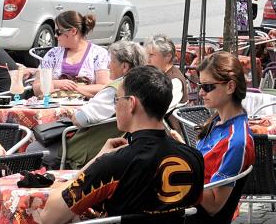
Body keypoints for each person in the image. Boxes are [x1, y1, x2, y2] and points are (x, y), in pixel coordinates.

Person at [40, 66, 204, 224]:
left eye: (116, 99)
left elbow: (49, 217)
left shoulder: (114, 163)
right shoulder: (194, 157)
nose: (114, 106)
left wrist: (97, 160)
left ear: (131, 103)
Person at [29, 41, 147, 169]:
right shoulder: (143, 86)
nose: (108, 65)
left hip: (90, 148)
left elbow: (80, 119)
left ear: (124, 66)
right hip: (123, 145)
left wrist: (75, 114)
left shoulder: (115, 90)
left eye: (111, 61)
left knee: (33, 148)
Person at [187, 52, 255, 223]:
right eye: (199, 85)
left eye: (208, 87)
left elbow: (215, 206)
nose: (201, 93)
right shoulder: (217, 121)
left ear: (230, 87)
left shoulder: (235, 141)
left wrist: (181, 174)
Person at [33, 11, 110, 98]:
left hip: (87, 108)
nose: (55, 35)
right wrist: (57, 83)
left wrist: (74, 88)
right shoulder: (53, 54)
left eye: (58, 31)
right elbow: (36, 87)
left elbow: (104, 87)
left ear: (73, 31)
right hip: (55, 106)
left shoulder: (98, 53)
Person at [145, 34, 188, 110]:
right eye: (147, 55)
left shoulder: (175, 82)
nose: (148, 60)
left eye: (151, 55)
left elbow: (159, 110)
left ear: (168, 56)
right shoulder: (156, 74)